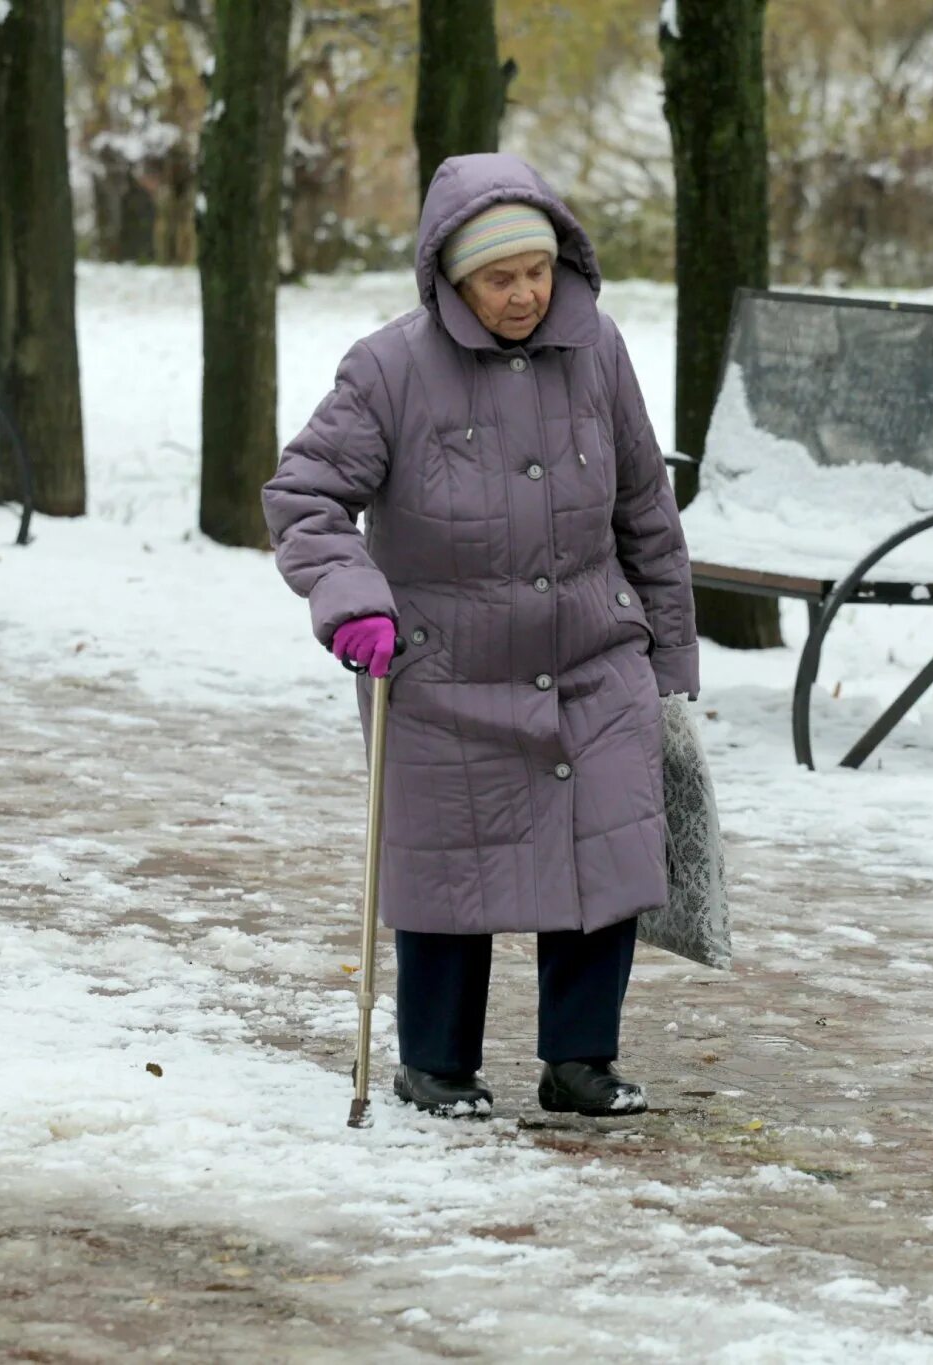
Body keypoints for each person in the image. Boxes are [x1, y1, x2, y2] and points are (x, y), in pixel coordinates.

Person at [263, 153, 698, 1119]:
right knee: (449, 871)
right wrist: (352, 597)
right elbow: (305, 498)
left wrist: (667, 654)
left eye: (538, 271)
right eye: (501, 278)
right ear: (454, 278)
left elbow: (645, 509)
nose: (525, 294)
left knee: (605, 853)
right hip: (444, 664)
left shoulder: (599, 350)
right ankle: (436, 1063)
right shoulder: (388, 369)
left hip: (590, 653)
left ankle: (581, 1058)